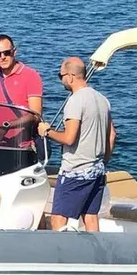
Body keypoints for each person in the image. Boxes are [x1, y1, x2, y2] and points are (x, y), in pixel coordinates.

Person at [38, 56, 116, 232]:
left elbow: (69, 138)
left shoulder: (75, 101)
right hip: (97, 169)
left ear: (71, 76)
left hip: (76, 170)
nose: (61, 80)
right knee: (90, 217)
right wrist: (103, 162)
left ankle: (62, 255)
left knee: (58, 218)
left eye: (61, 76)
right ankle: (96, 255)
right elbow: (112, 135)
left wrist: (47, 131)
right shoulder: (102, 100)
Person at [0, 34, 43, 148]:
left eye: (6, 53)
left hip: (24, 147)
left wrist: (6, 126)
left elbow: (35, 115)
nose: (3, 57)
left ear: (14, 52)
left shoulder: (31, 76)